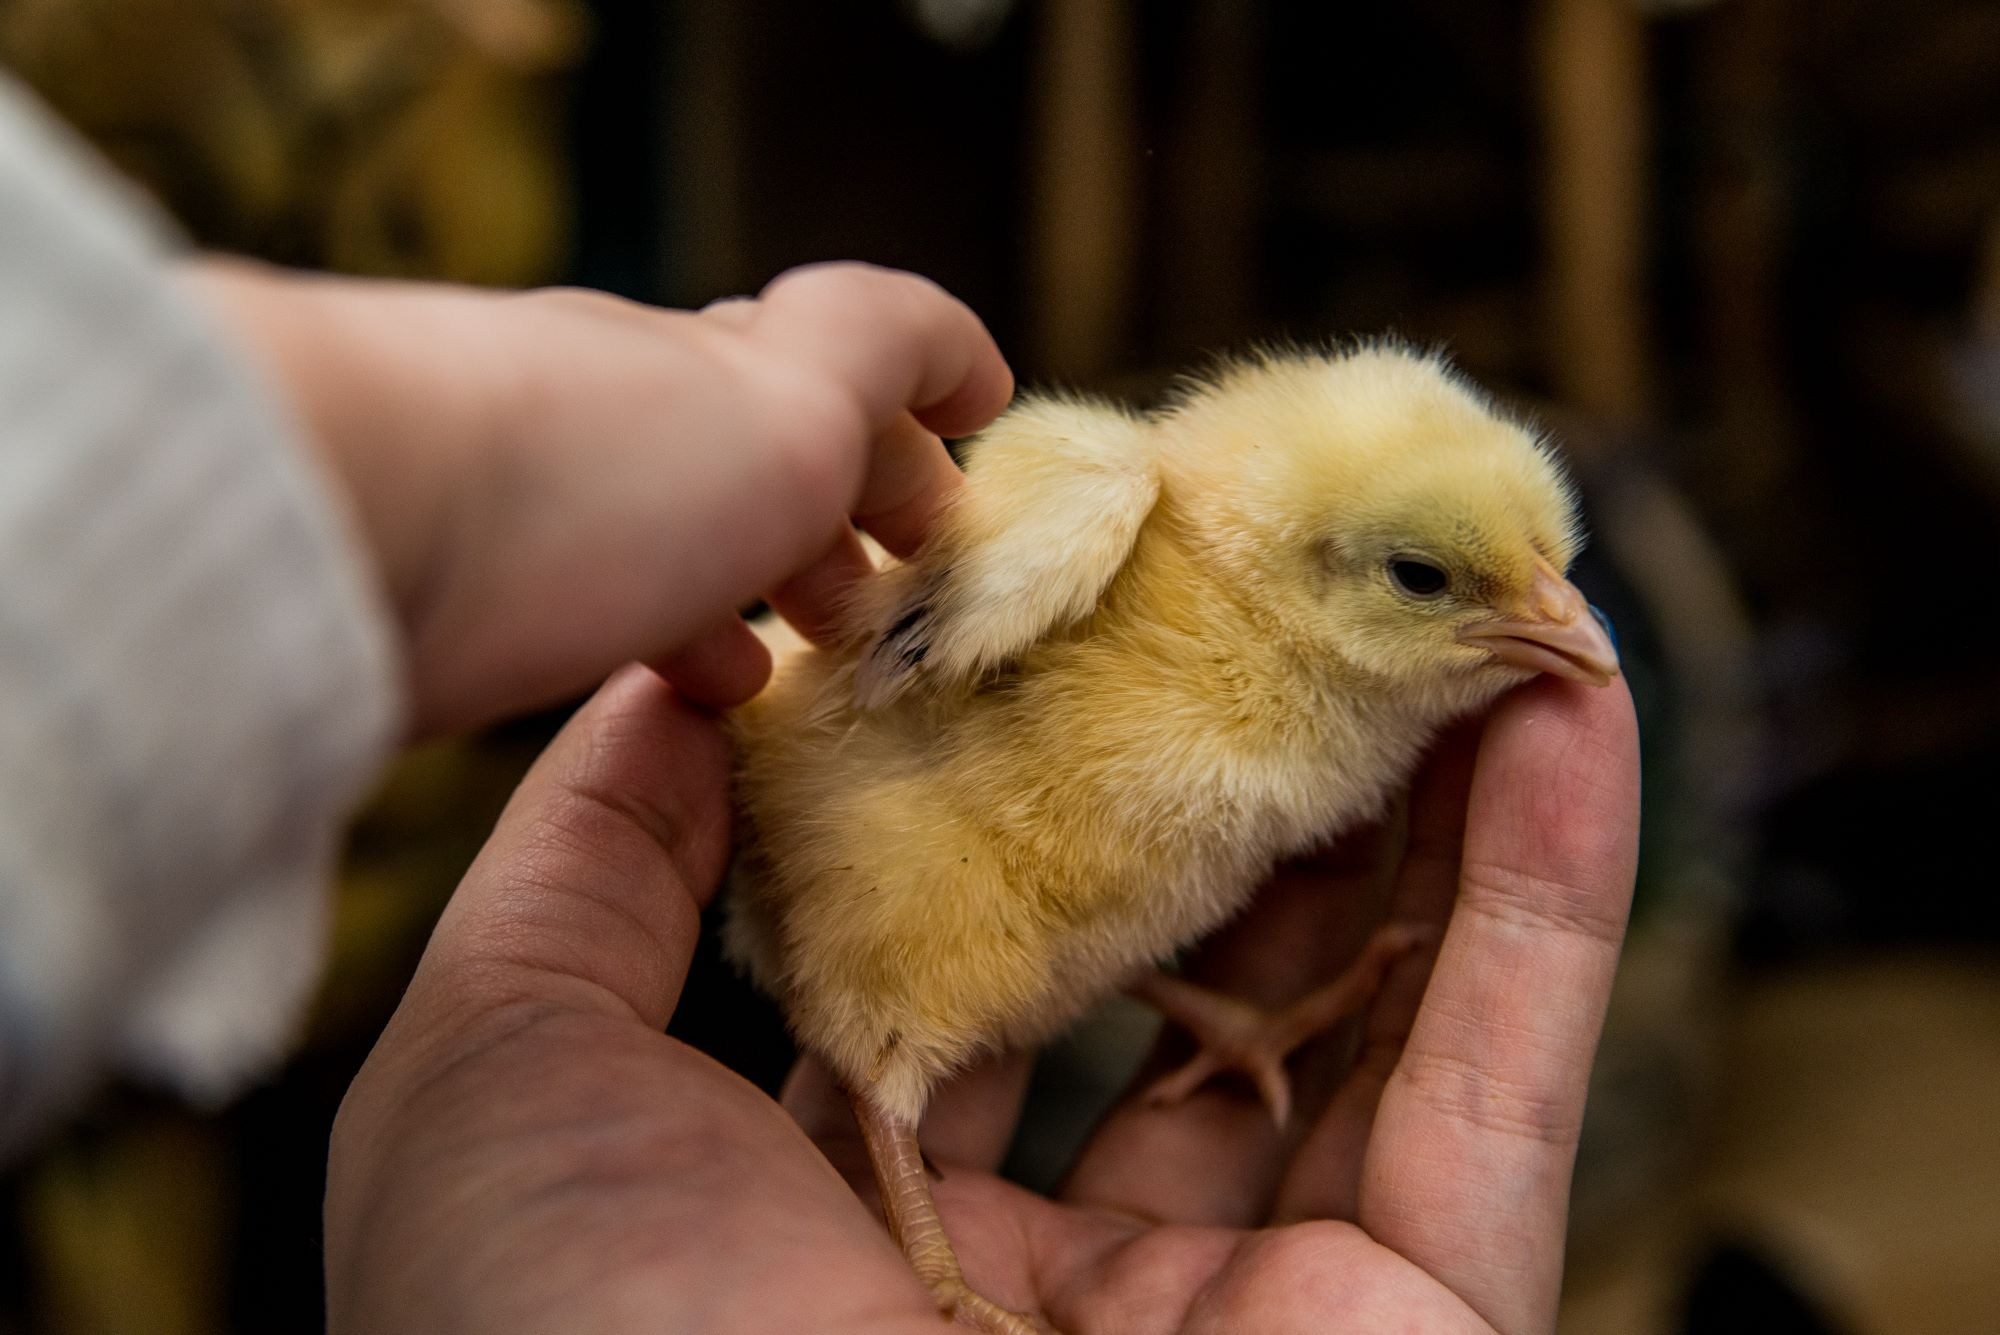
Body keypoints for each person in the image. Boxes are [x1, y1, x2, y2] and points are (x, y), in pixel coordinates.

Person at [0, 73, 1640, 1332]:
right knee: (928, 1001)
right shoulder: (1104, 508)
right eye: (1436, 581)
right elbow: (878, 685)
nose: (1549, 618)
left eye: (1541, 575)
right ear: (1308, 555)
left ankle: (1190, 1026)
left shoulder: (1327, 647)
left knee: (1104, 890)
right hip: (879, 858)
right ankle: (928, 1247)